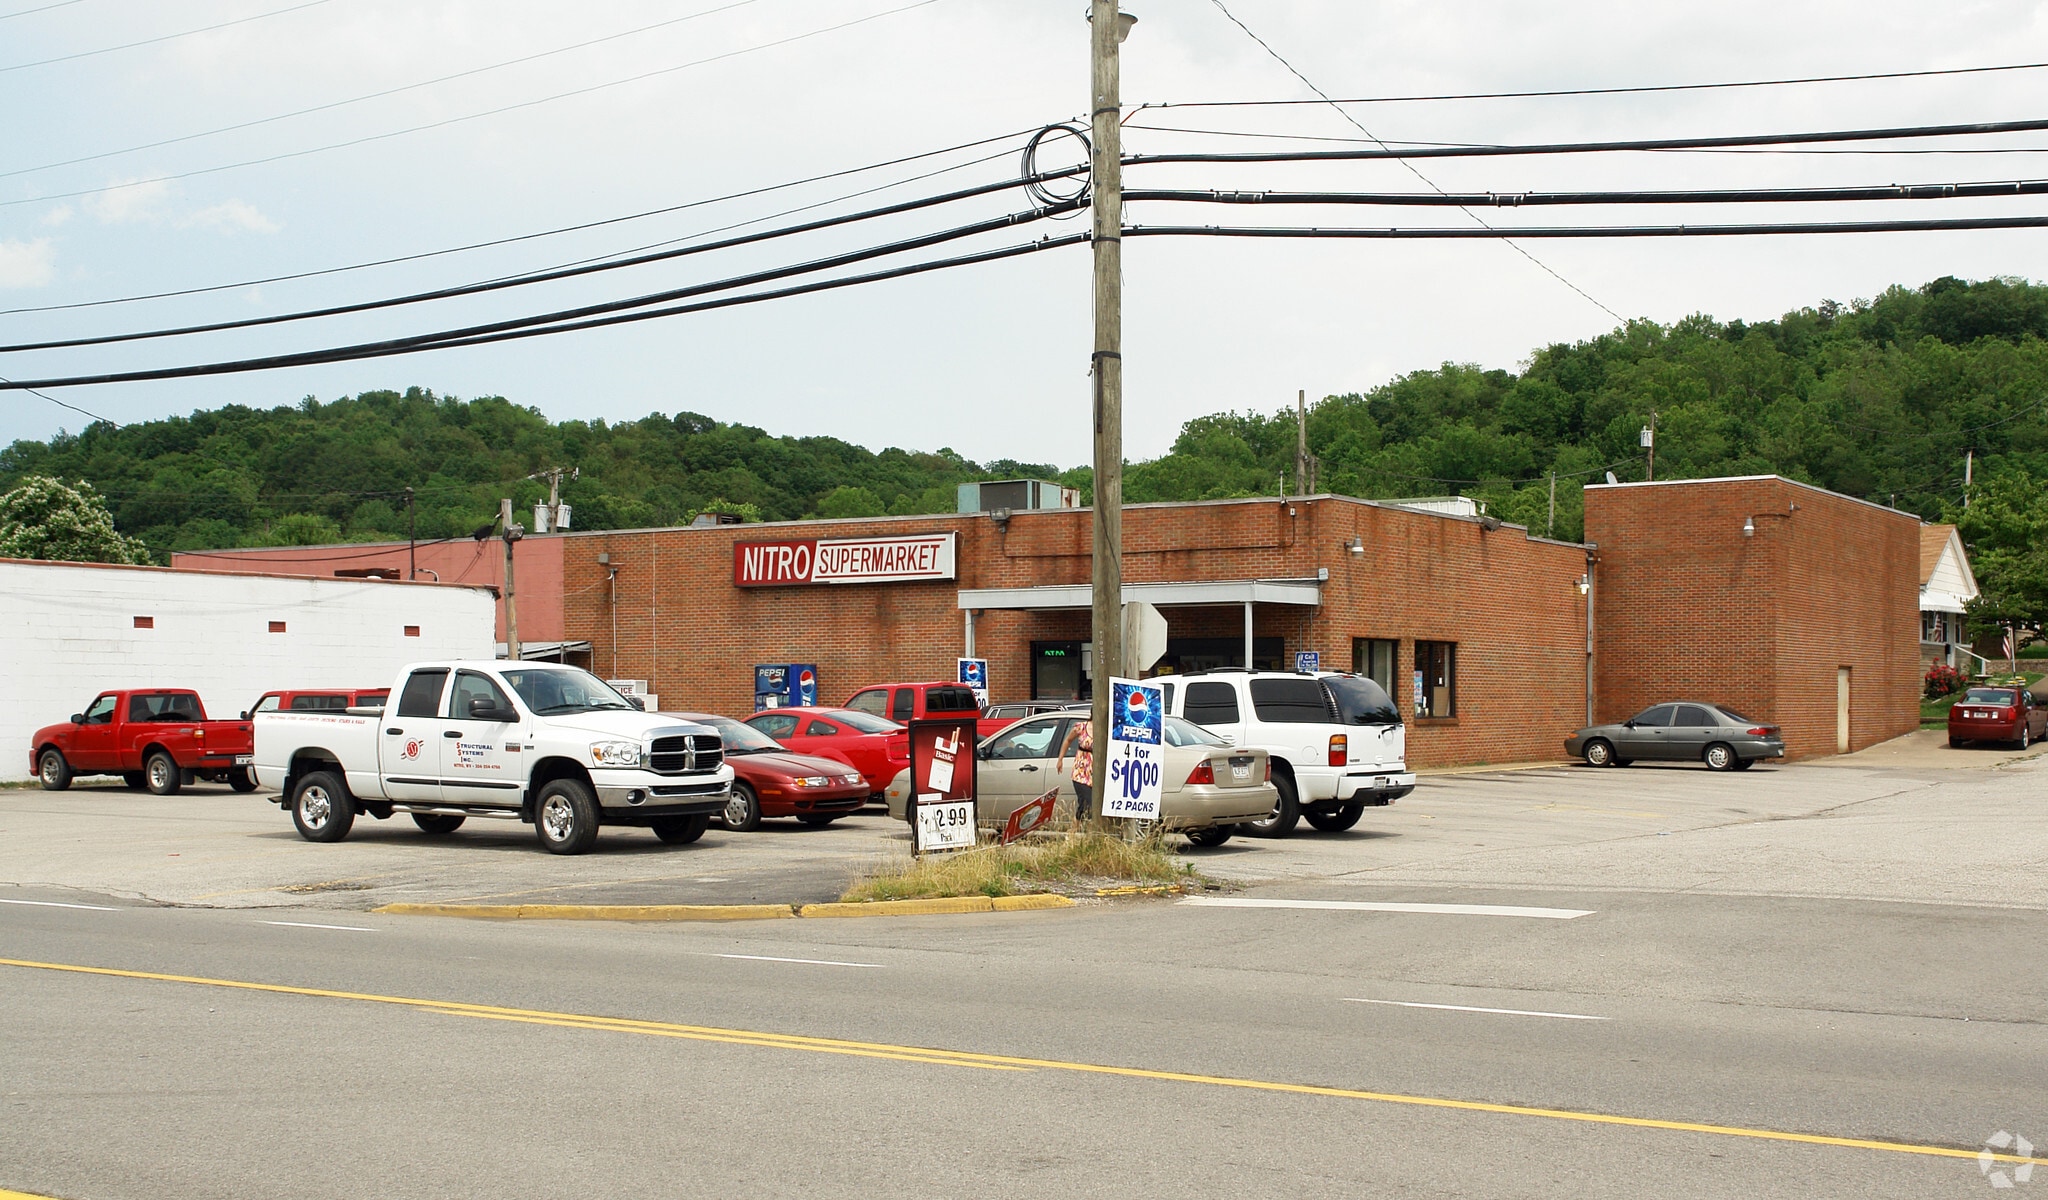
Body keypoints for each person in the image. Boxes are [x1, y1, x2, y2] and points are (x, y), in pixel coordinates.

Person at [1056, 716, 1095, 824]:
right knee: (1087, 803)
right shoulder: (1081, 727)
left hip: (1095, 772)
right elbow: (1068, 740)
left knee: (1086, 805)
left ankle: (1075, 832)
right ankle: (1076, 831)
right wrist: (1060, 759)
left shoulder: (1104, 730)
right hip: (1081, 771)